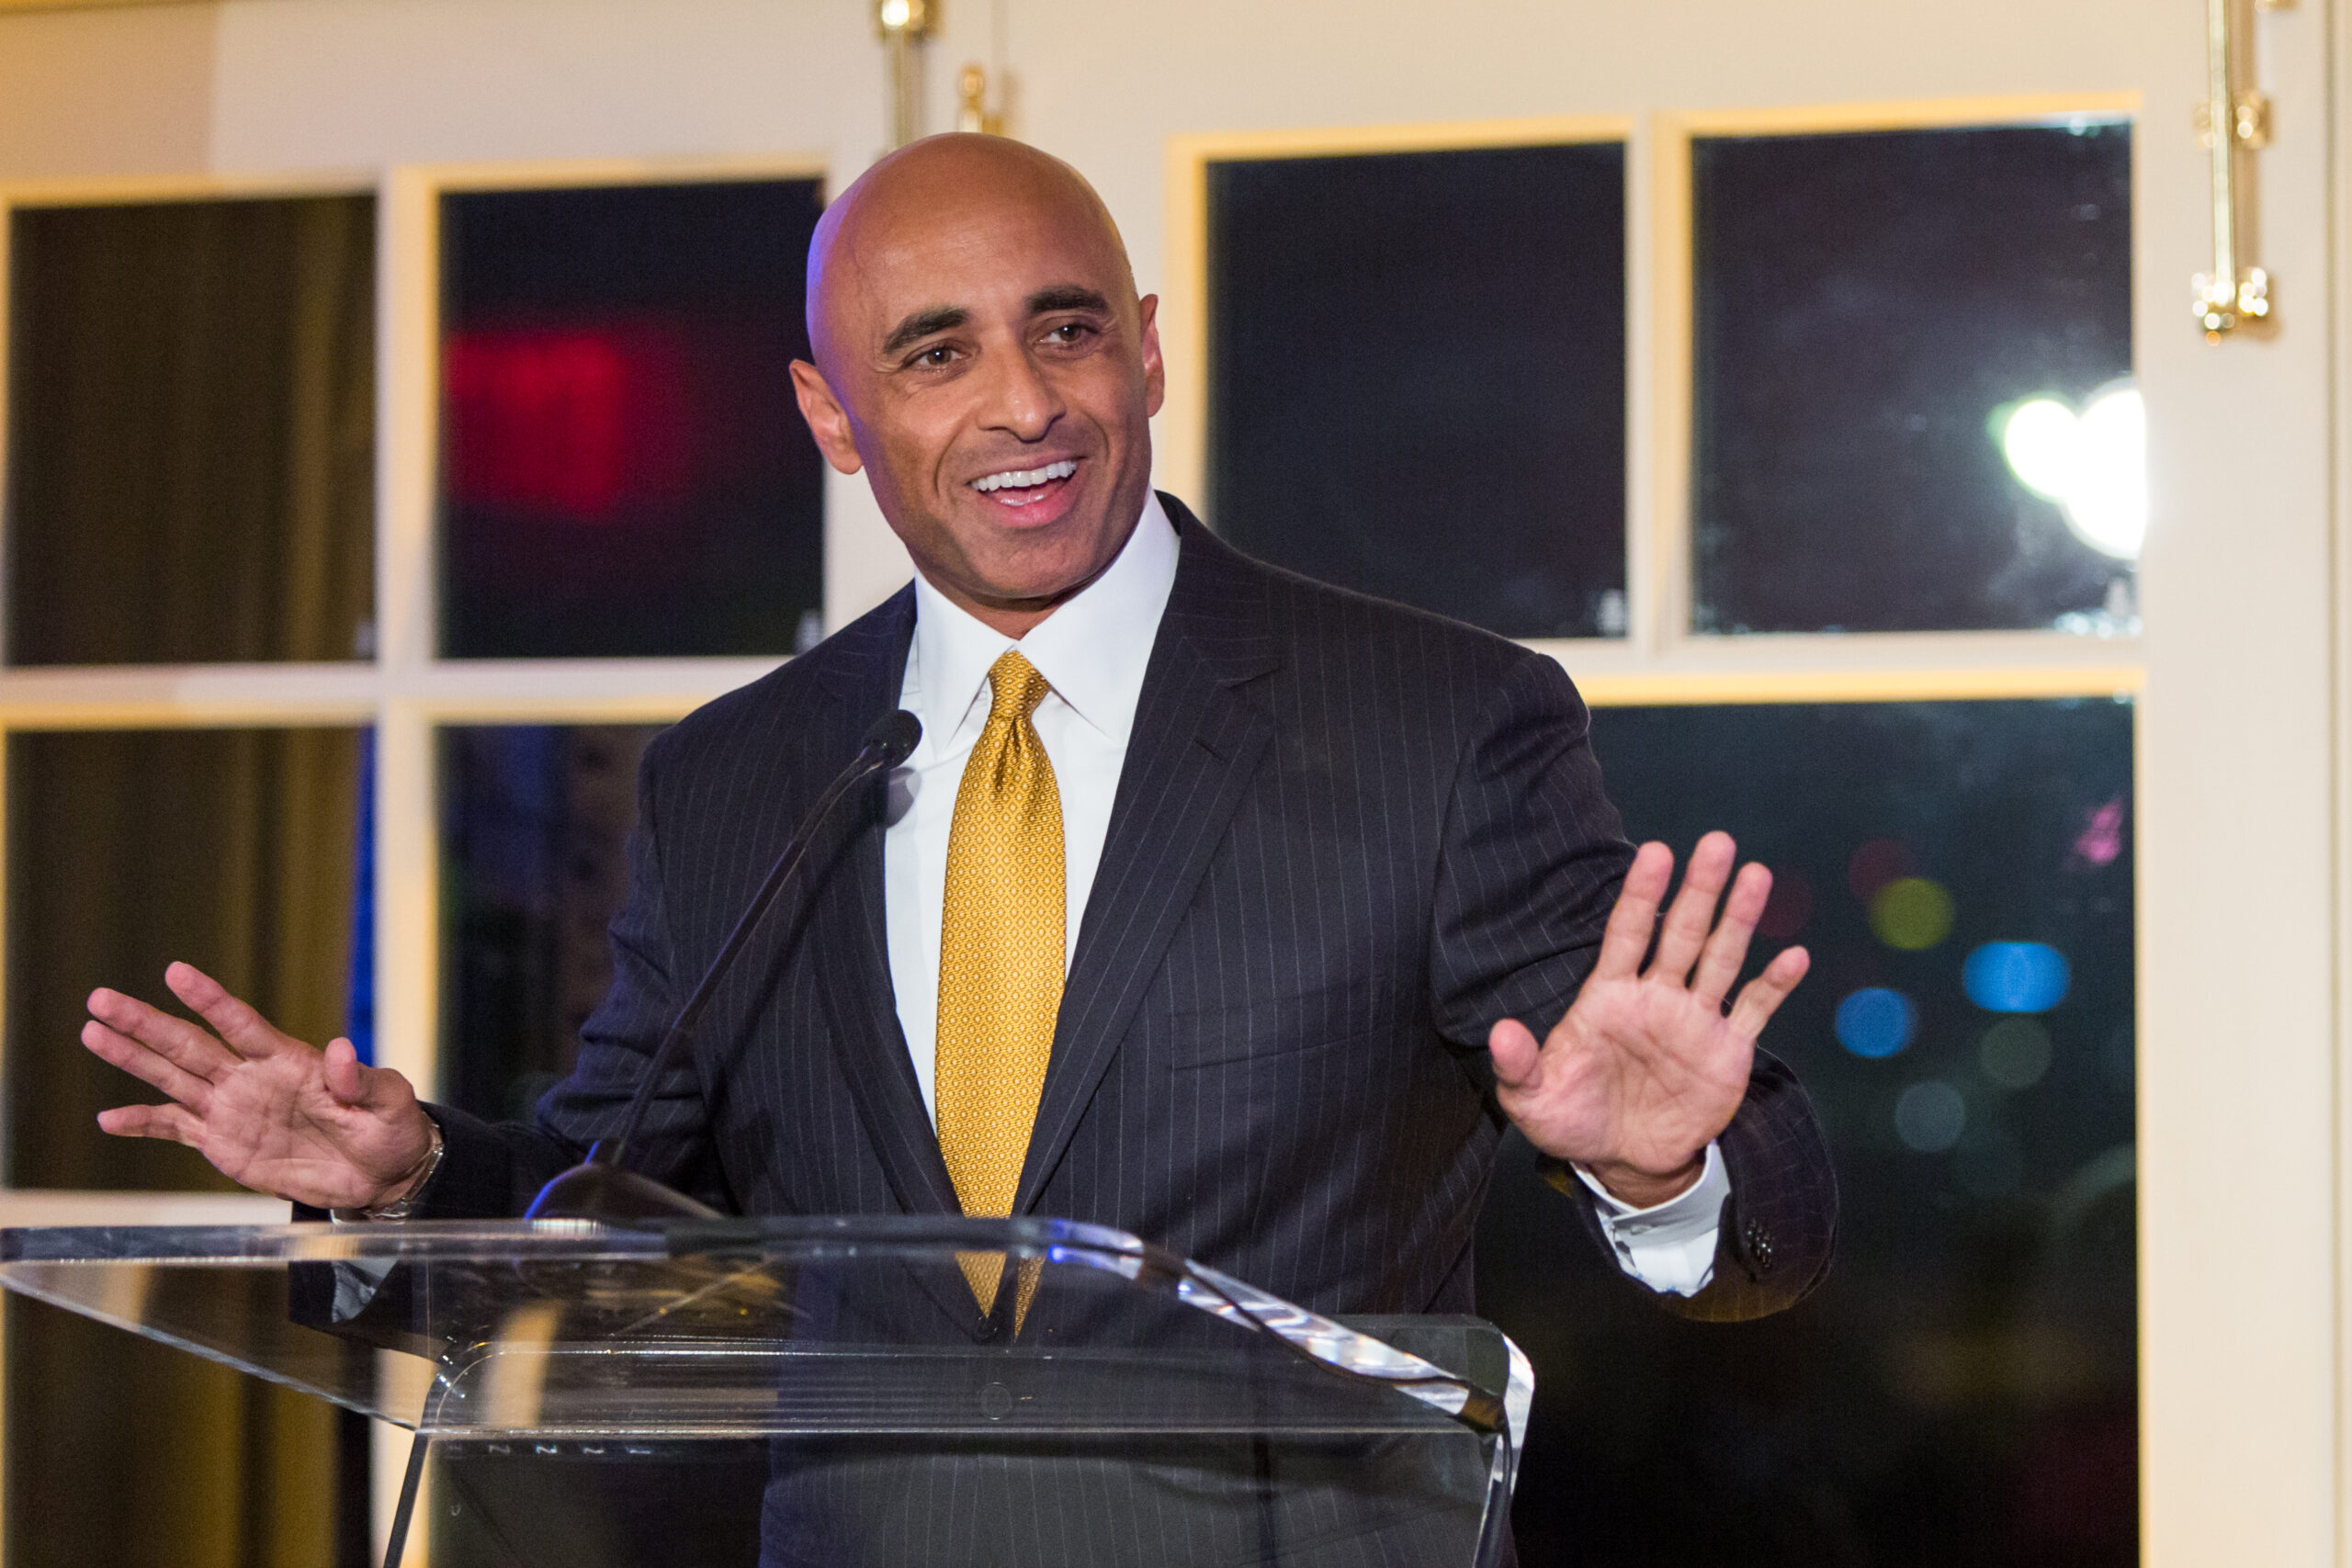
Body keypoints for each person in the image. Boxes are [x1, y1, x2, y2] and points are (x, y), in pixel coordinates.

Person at [82, 137, 1829, 1330]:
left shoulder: (1442, 726)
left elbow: (1770, 1235)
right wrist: (404, 1186)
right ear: (830, 417)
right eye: (933, 355)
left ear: (1146, 352)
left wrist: (1661, 1164)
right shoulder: (739, 777)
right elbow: (600, 1201)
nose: (1023, 400)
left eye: (1066, 328)